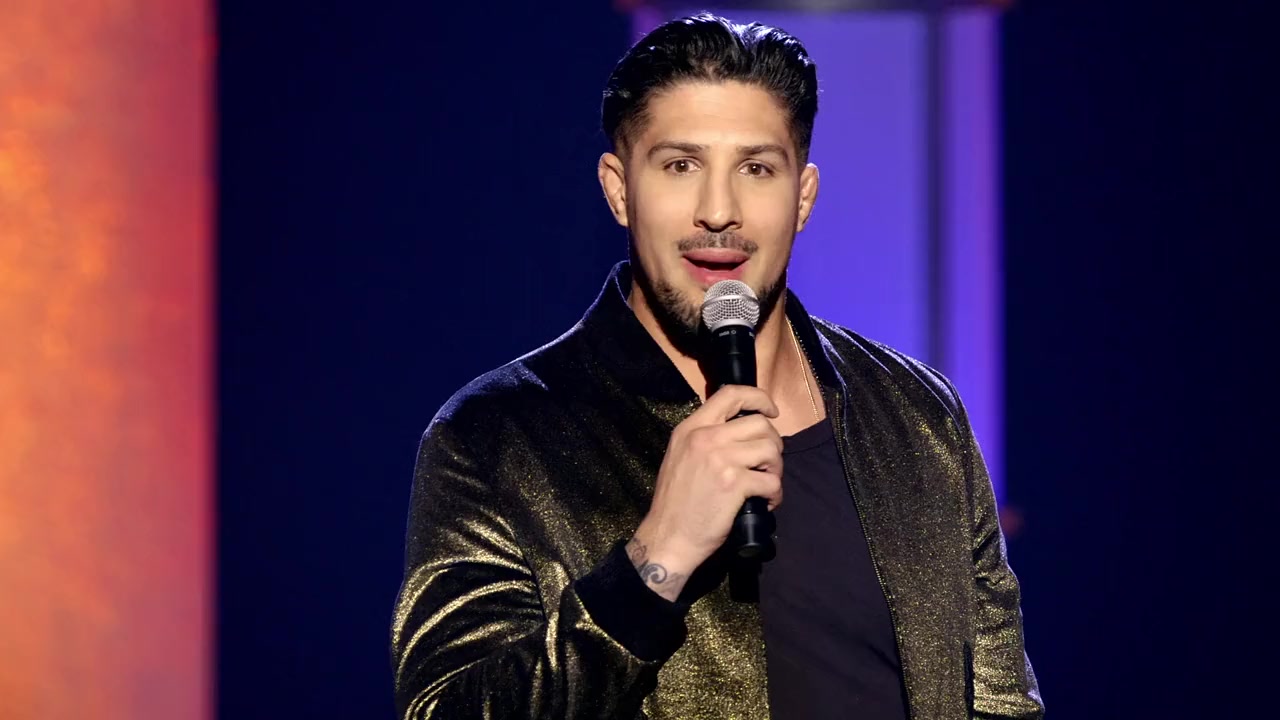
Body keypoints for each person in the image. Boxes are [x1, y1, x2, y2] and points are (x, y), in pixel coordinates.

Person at [391, 13, 1041, 720]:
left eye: (755, 169)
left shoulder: (917, 416)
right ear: (618, 190)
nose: (719, 211)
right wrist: (656, 559)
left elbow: (1001, 703)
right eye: (681, 166)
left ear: (803, 197)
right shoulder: (498, 435)